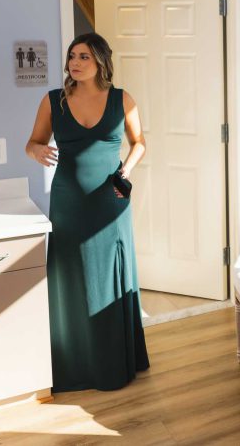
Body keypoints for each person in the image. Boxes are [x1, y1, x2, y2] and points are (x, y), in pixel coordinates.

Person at [25, 32, 149, 392]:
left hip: (111, 200)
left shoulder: (122, 99)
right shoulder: (54, 101)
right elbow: (32, 142)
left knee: (110, 278)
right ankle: (75, 365)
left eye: (84, 57)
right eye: (72, 56)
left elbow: (140, 143)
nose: (75, 63)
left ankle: (115, 362)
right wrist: (37, 151)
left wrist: (125, 171)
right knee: (72, 278)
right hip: (68, 204)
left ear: (100, 62)